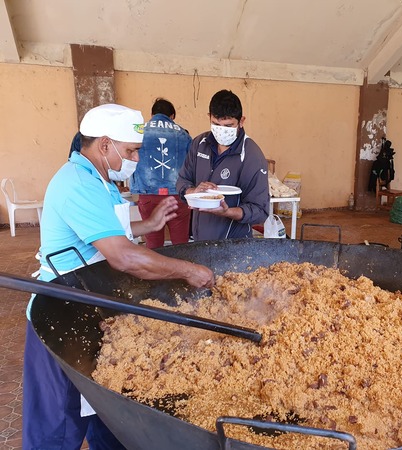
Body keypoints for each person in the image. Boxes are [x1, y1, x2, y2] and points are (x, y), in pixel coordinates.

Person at [23, 103, 215, 450]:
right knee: (58, 430)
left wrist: (149, 224)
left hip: (89, 303)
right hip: (60, 313)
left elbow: (106, 228)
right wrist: (189, 271)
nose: (136, 159)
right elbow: (123, 256)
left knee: (106, 418)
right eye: (131, 151)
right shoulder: (77, 182)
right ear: (106, 144)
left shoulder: (98, 178)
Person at [176, 89, 269, 240]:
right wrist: (192, 191)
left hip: (233, 246)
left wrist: (226, 212)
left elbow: (260, 211)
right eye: (216, 124)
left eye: (228, 125)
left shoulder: (252, 156)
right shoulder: (200, 143)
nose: (222, 131)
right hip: (199, 240)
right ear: (209, 118)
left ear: (241, 121)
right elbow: (182, 180)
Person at [130, 98, 192, 248]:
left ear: (152, 114)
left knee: (153, 244)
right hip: (177, 196)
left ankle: (156, 271)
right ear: (172, 116)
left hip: (148, 195)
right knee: (181, 245)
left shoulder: (139, 132)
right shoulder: (183, 134)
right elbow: (192, 166)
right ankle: (181, 271)